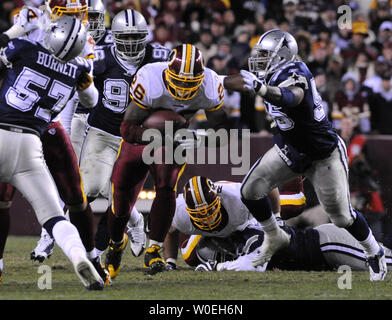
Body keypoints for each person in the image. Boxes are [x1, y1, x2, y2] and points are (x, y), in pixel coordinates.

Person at [234, 29, 387, 281]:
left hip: (322, 154)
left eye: (265, 55)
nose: (259, 60)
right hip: (291, 150)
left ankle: (374, 250)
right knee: (249, 191)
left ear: (282, 55)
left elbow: (292, 97)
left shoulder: (295, 73)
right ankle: (274, 236)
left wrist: (262, 90)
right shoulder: (271, 74)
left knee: (342, 217)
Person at [0, 0, 111, 286]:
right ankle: (81, 257)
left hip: (7, 126)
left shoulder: (24, 47)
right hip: (33, 141)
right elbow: (92, 99)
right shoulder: (77, 72)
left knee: (71, 197)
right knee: (54, 215)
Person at [107, 43, 229, 276]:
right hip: (140, 138)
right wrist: (157, 134)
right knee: (121, 197)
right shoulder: (150, 79)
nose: (183, 88)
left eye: (190, 83)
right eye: (179, 81)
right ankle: (115, 244)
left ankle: (154, 249)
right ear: (168, 73)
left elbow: (222, 134)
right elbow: (127, 128)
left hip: (174, 141)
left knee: (166, 186)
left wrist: (194, 138)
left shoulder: (210, 85)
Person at [78, 9, 170, 265]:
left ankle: (133, 222)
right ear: (114, 37)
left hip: (137, 138)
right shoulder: (101, 57)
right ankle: (137, 220)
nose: (130, 43)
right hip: (104, 132)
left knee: (120, 195)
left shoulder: (160, 57)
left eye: (136, 37)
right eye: (125, 37)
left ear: (145, 36)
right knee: (91, 190)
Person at [171, 177, 392, 274]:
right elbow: (176, 237)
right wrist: (170, 261)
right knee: (192, 254)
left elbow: (252, 264)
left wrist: (216, 267)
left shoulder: (251, 227)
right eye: (219, 256)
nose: (222, 256)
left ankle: (296, 168)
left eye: (219, 255)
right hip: (320, 257)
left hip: (328, 245)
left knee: (385, 261)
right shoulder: (186, 216)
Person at [163, 176, 306, 271]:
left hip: (245, 218)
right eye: (200, 213)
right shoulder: (179, 211)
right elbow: (170, 230)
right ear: (188, 210)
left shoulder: (237, 197)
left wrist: (277, 217)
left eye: (209, 210)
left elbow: (265, 184)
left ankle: (292, 167)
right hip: (224, 229)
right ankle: (232, 253)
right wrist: (170, 262)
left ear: (218, 200)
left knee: (296, 203)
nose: (206, 217)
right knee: (190, 256)